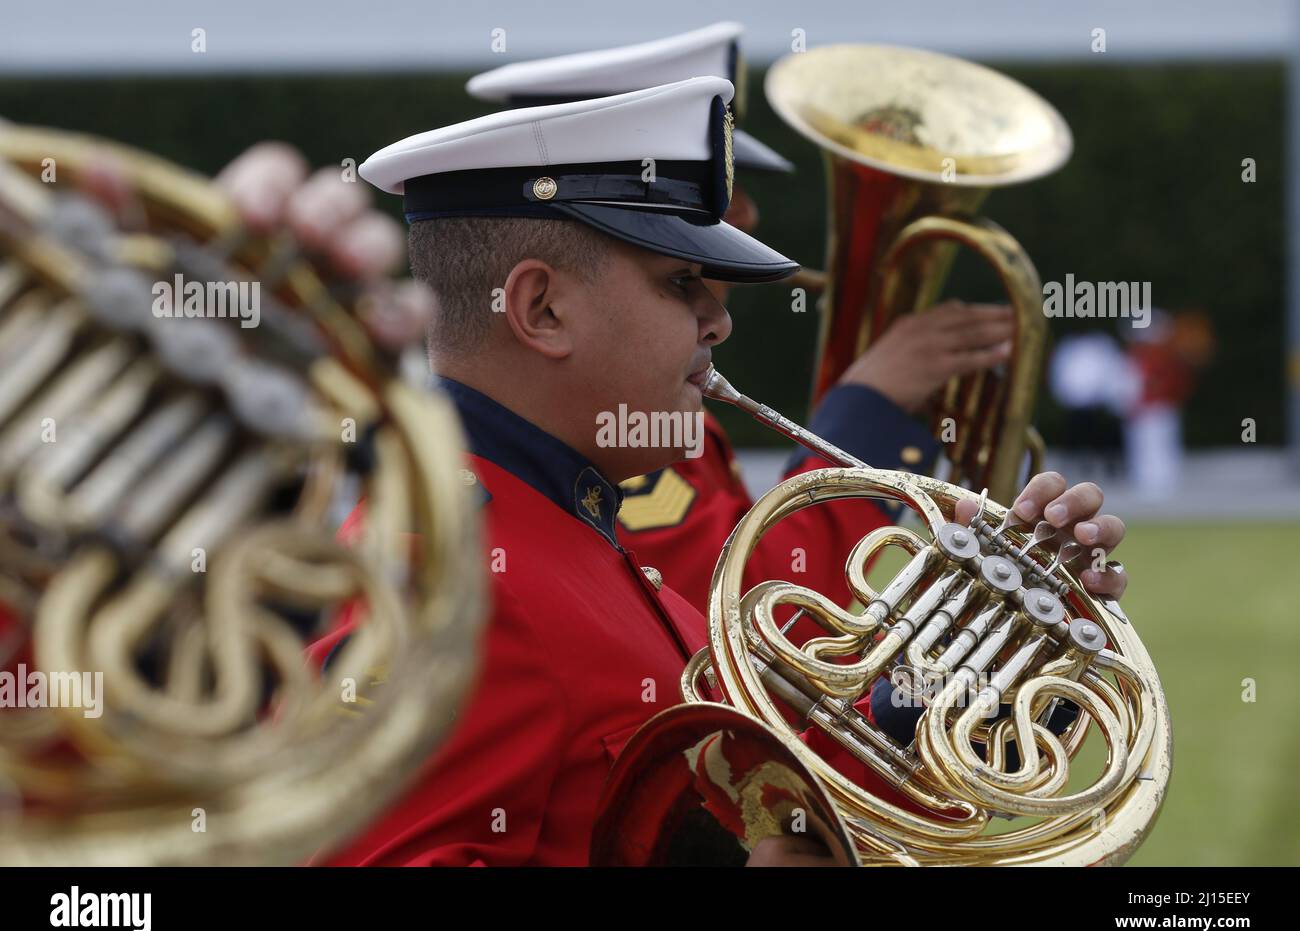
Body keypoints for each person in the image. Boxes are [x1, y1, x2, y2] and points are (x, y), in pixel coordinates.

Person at [279, 77, 1129, 866]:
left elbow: (774, 791)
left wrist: (974, 667)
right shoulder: (455, 594)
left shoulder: (575, 529)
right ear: (540, 309)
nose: (718, 321)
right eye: (681, 282)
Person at [464, 23, 1020, 623]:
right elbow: (740, 615)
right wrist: (866, 414)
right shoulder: (611, 409)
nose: (748, 213)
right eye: (711, 185)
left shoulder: (647, 387)